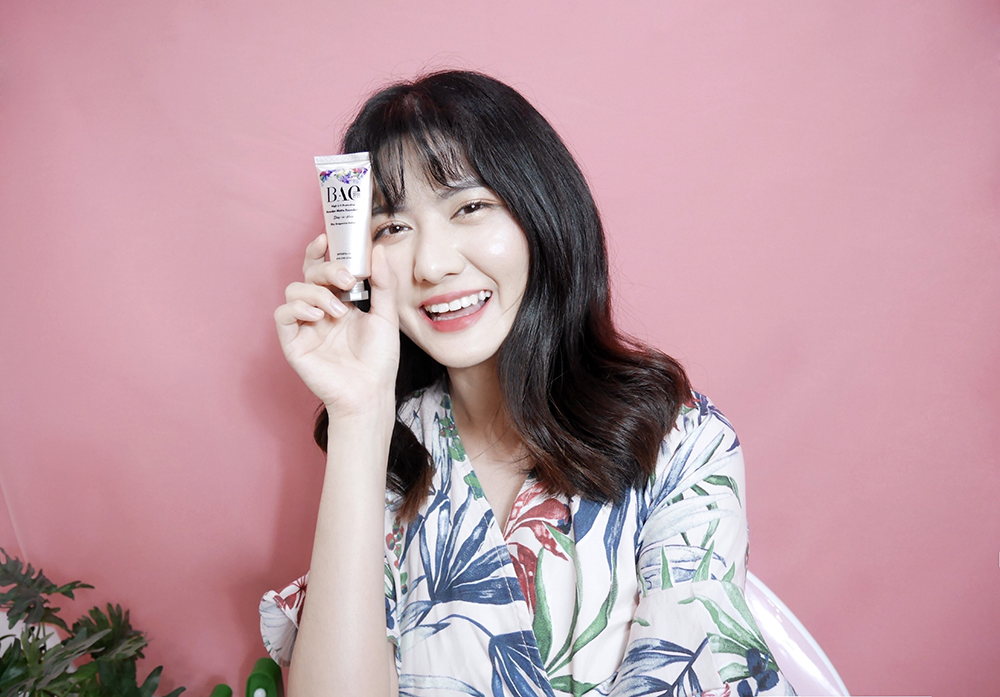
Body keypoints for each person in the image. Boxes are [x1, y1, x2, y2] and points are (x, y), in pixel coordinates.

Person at [260, 70, 796, 697]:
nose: (432, 265)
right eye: (392, 228)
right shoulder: (390, 450)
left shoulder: (679, 443)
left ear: (541, 211)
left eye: (469, 207)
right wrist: (358, 413)